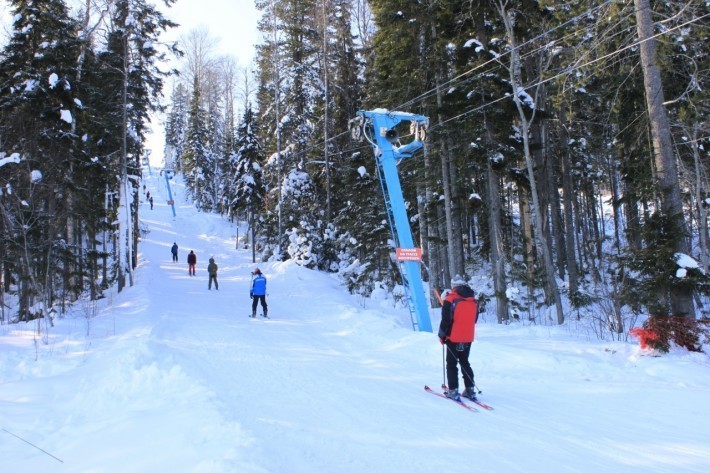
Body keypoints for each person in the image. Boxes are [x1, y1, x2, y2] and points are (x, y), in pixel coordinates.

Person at [438, 275, 478, 402]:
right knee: (465, 362)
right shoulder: (473, 300)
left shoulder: (450, 299)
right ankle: (470, 389)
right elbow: (474, 320)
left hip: (453, 337)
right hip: (468, 337)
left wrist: (441, 335)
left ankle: (453, 390)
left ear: (453, 286)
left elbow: (446, 320)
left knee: (451, 364)